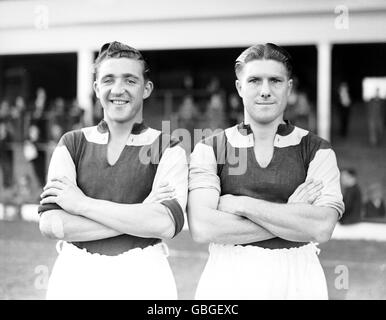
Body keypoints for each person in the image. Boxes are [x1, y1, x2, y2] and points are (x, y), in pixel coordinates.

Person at [188, 43, 344, 300]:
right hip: (229, 279)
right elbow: (203, 227)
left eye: (275, 81)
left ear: (289, 87)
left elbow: (321, 227)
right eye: (254, 81)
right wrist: (291, 214)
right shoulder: (209, 149)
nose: (265, 91)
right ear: (239, 87)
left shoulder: (318, 150)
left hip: (298, 280)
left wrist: (240, 204)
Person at [38, 41, 188, 299]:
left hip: (144, 278)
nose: (118, 89)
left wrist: (81, 204)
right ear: (97, 88)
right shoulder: (72, 143)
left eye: (130, 80)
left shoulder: (169, 148)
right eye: (108, 80)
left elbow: (164, 224)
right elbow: (52, 225)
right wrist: (141, 214)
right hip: (75, 277)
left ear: (147, 88)